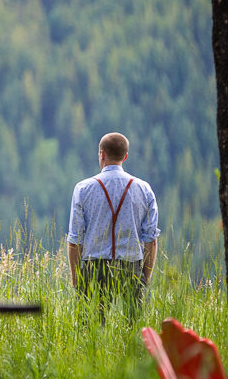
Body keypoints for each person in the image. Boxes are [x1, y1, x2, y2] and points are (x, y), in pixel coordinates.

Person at [67, 132, 160, 323]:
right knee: (132, 331)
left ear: (101, 154)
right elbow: (151, 240)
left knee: (89, 332)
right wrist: (144, 278)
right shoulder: (144, 189)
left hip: (95, 268)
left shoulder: (83, 188)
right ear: (125, 156)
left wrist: (78, 281)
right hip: (131, 267)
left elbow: (74, 242)